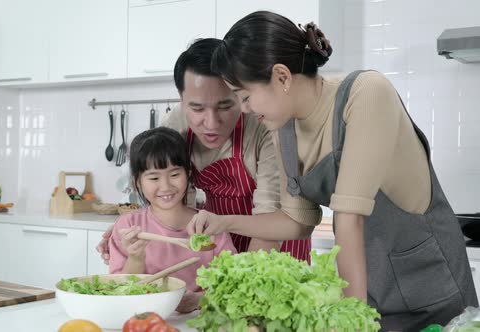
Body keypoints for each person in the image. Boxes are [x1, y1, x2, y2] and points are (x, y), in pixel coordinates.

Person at [185, 10, 477, 331]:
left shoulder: (365, 93)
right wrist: (221, 222)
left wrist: (349, 323)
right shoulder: (283, 128)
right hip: (370, 291)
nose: (244, 109)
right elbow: (297, 221)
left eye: (245, 96)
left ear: (282, 77)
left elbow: (349, 219)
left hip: (430, 291)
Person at [99, 38, 313, 261]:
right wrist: (126, 234)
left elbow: (270, 213)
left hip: (274, 246)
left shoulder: (265, 124)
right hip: (217, 240)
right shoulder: (175, 125)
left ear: (240, 94)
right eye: (197, 108)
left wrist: (243, 284)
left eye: (225, 106)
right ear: (181, 100)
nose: (211, 123)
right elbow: (172, 202)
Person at [108, 127, 237, 313]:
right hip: (144, 321)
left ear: (189, 174)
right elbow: (120, 290)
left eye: (175, 174)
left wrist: (199, 300)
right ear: (137, 183)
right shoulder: (127, 227)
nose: (166, 186)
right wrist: (136, 257)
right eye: (153, 177)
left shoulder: (211, 226)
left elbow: (231, 286)